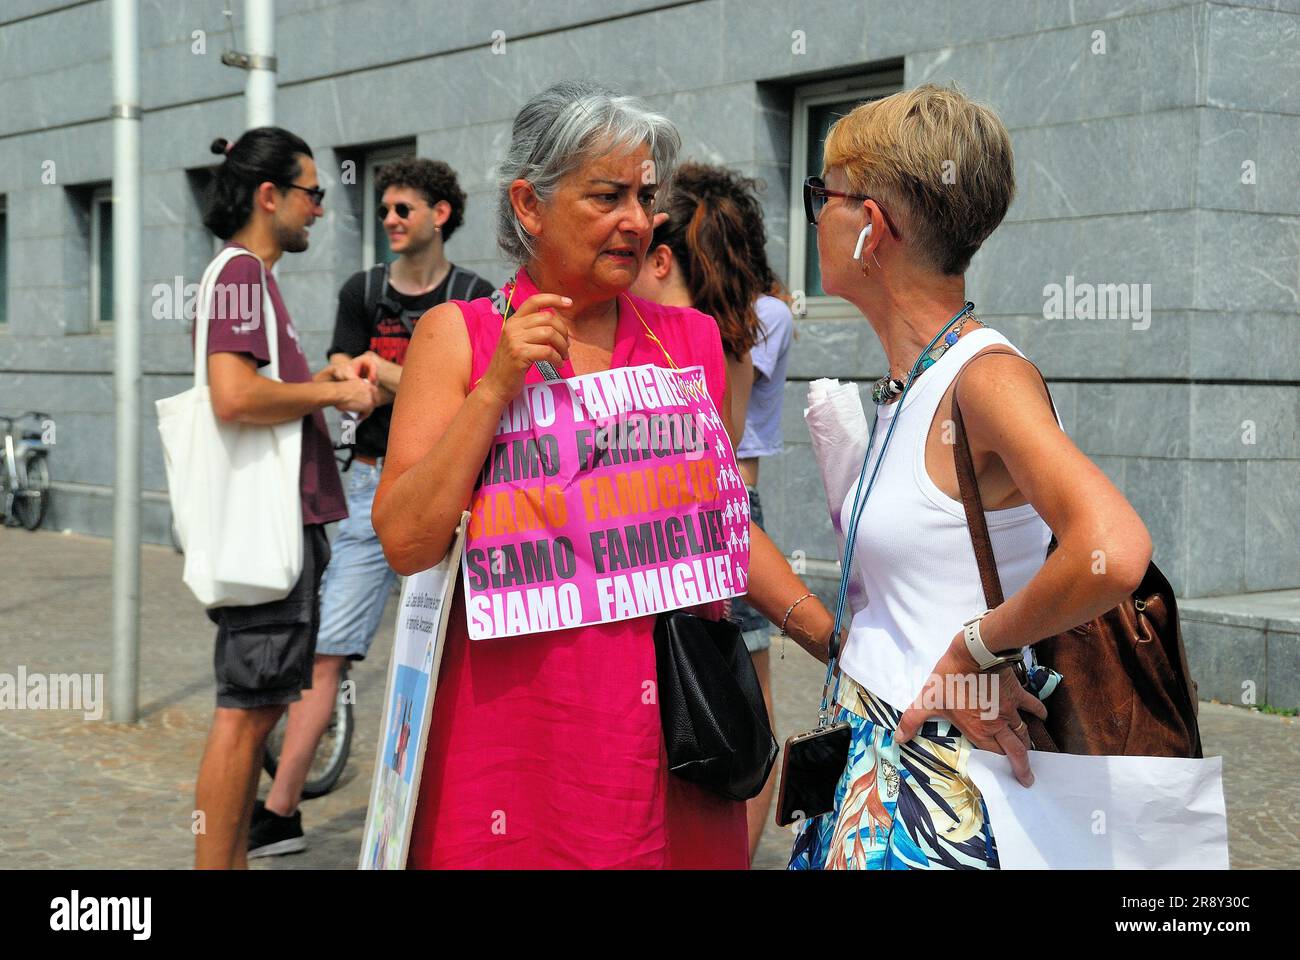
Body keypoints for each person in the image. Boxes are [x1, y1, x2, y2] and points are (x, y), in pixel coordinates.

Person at [372, 80, 842, 869]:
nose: (638, 219)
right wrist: (495, 390)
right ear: (530, 203)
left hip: (665, 744)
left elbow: (720, 527)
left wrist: (833, 640)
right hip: (513, 740)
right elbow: (407, 539)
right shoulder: (458, 338)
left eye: (645, 195)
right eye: (608, 196)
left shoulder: (687, 341)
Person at [788, 84, 1153, 870]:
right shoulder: (915, 379)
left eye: (824, 194)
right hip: (876, 769)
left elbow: (1113, 548)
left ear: (870, 229)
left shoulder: (982, 379)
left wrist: (972, 652)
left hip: (940, 798)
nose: (816, 213)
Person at [250, 158, 494, 857]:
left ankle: (459, 812)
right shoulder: (362, 288)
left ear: (440, 215)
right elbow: (336, 367)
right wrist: (418, 375)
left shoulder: (474, 295)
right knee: (327, 655)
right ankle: (282, 810)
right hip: (367, 486)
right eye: (384, 209)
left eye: (402, 209)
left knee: (461, 661)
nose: (388, 219)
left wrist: (386, 373)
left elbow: (460, 387)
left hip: (454, 497)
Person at [192, 127, 380, 870]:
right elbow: (234, 396)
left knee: (259, 704)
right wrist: (332, 390)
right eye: (313, 193)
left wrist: (322, 389)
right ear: (270, 196)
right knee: (245, 715)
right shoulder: (240, 275)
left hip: (279, 524)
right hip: (269, 527)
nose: (320, 210)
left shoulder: (246, 278)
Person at [629, 162, 792, 861]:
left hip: (718, 513)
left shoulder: (720, 324)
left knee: (735, 704)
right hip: (725, 510)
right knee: (728, 696)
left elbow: (711, 445)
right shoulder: (757, 314)